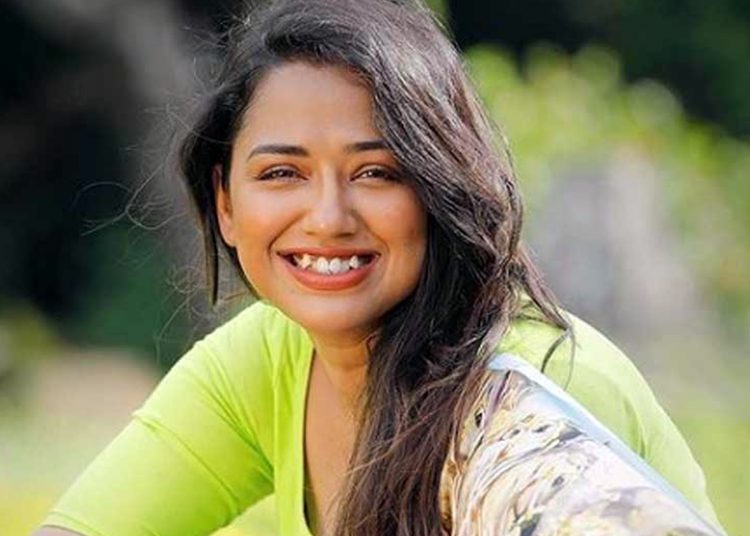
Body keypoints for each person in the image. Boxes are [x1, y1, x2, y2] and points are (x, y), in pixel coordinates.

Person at [36, 0, 723, 535]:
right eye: (281, 173)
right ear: (225, 204)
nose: (328, 217)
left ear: (440, 190)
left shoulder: (534, 389)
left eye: (376, 172)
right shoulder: (269, 358)